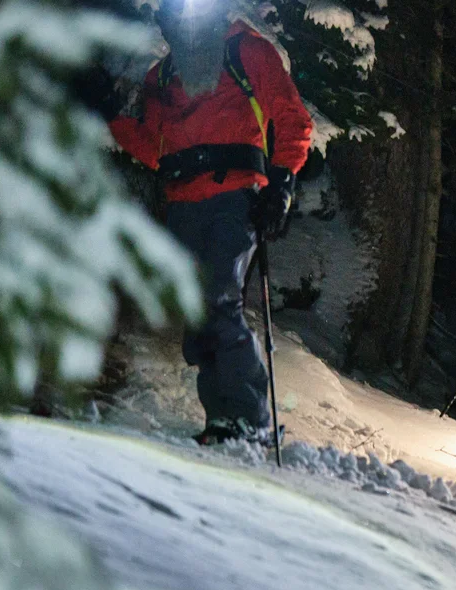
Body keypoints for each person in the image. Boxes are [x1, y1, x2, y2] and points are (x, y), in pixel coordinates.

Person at [83, 0, 312, 444]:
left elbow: (293, 120)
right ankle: (223, 417)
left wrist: (281, 182)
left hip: (233, 200)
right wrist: (112, 113)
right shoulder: (162, 77)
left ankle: (249, 418)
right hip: (184, 207)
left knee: (216, 301)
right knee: (199, 311)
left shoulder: (247, 52)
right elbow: (155, 148)